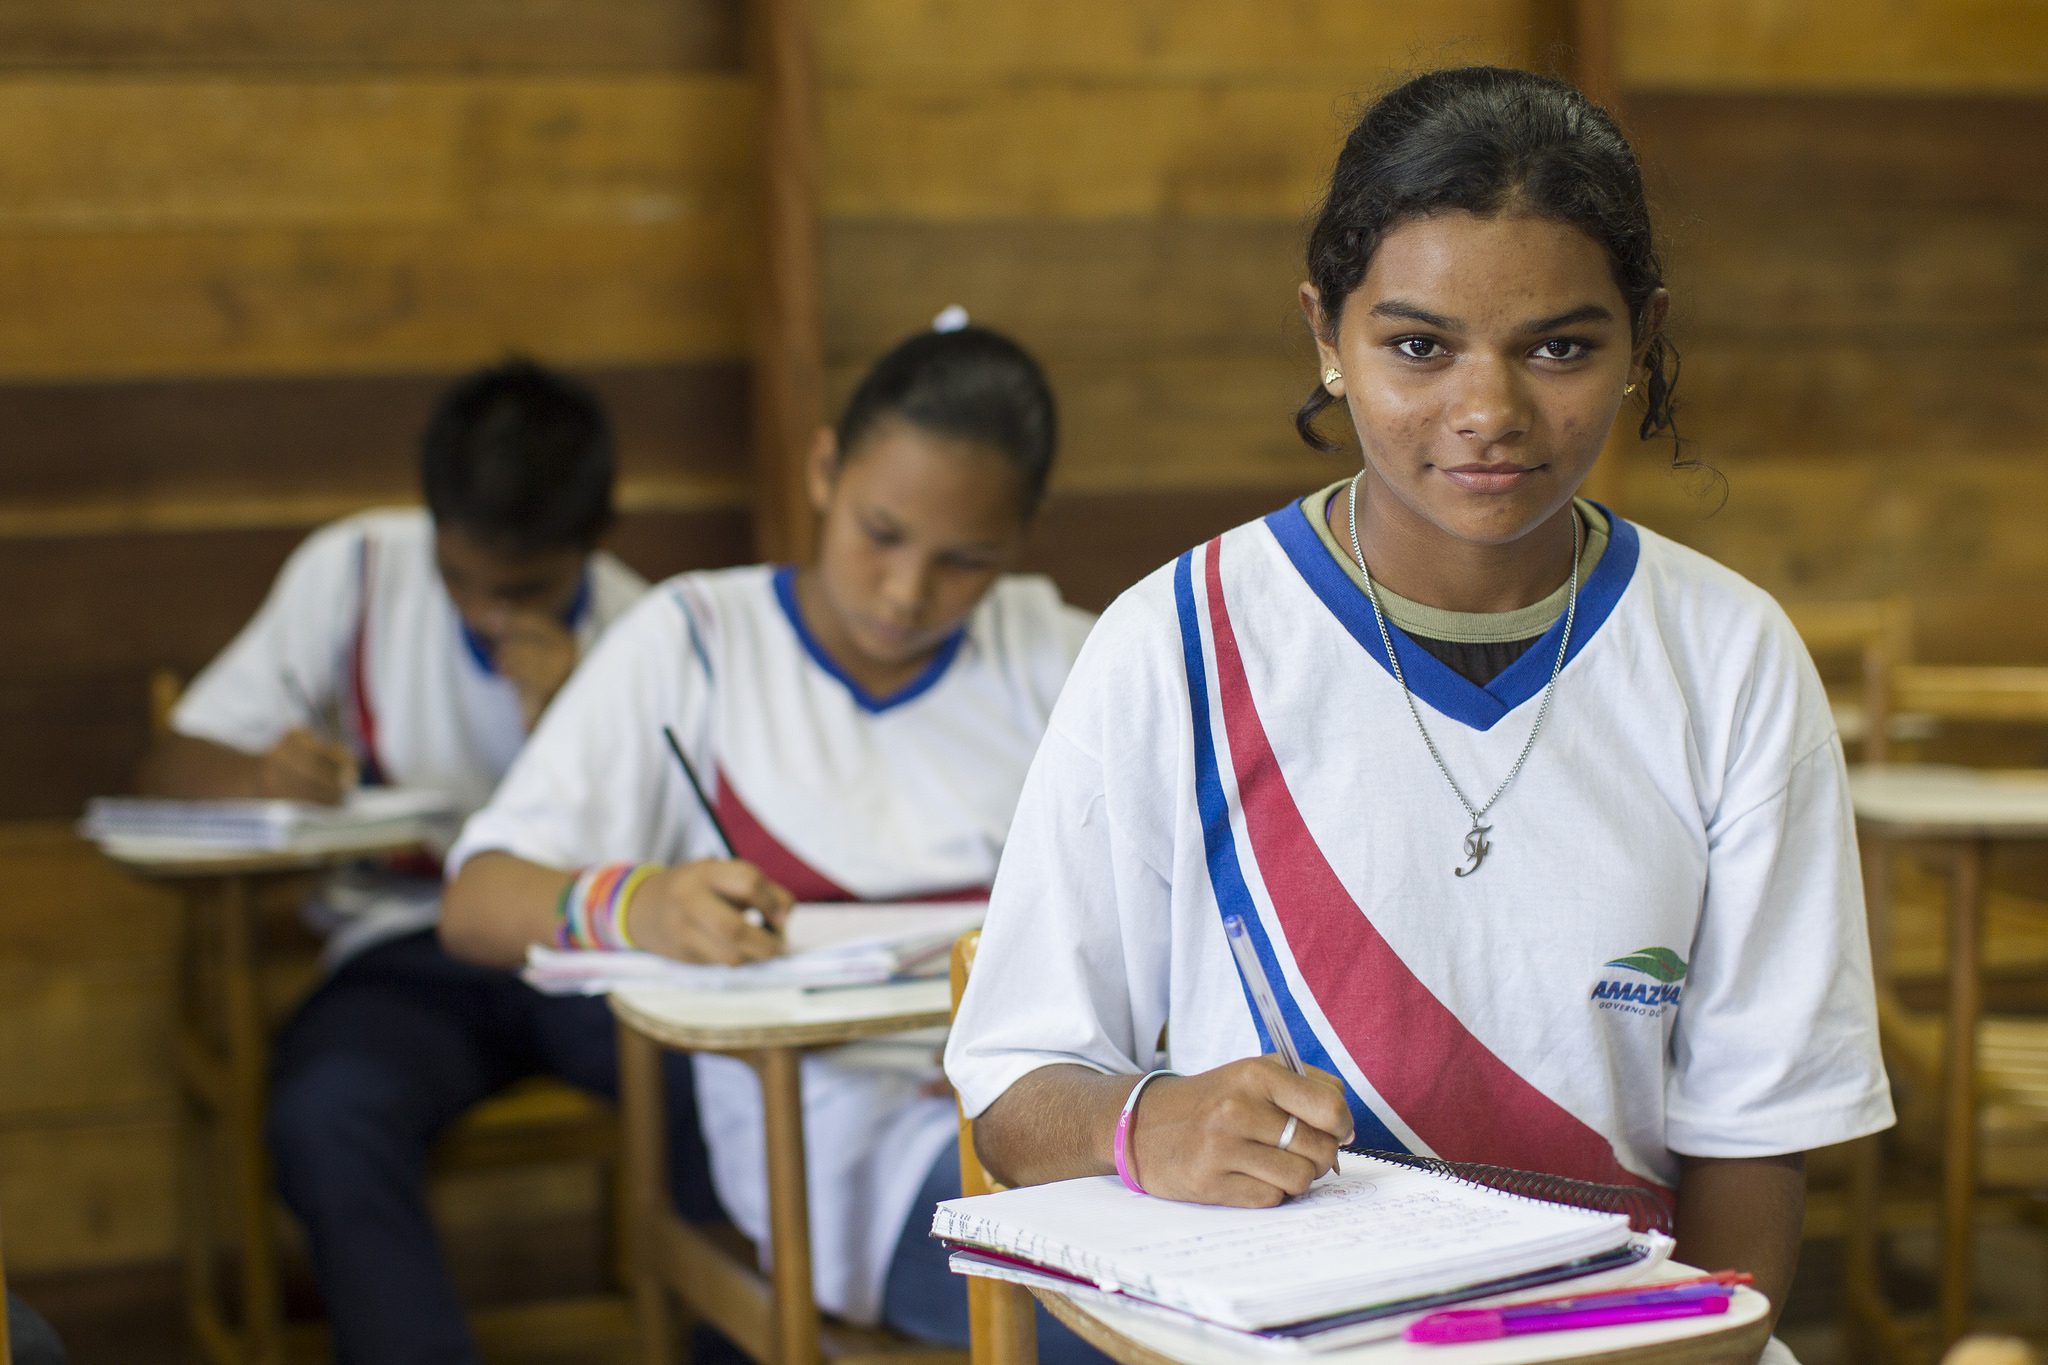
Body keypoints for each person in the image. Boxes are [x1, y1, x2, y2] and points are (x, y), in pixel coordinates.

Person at [945, 67, 1893, 1365]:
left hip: (1619, 1339)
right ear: (1324, 335)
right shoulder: (1176, 641)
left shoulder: (1730, 661)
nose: (1489, 413)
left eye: (1561, 346)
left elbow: (1749, 1146)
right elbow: (1013, 1079)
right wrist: (1144, 1120)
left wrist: (1690, 1351)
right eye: (1417, 345)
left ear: (1642, 338)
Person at [441, 320, 1106, 1360]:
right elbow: (476, 901)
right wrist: (640, 905)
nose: (903, 592)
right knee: (1129, 1312)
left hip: (1071, 1120)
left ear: (1021, 537)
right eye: (878, 533)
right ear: (823, 468)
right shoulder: (696, 642)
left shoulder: (1054, 652)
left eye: (962, 561)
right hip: (855, 1165)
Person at [134, 360, 714, 1365]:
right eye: (461, 580)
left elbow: (687, 859)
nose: (488, 612)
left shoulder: (642, 631)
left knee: (717, 1099)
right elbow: (165, 765)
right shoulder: (356, 570)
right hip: (398, 957)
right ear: (430, 521)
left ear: (590, 541)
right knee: (326, 1117)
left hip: (578, 959)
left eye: (524, 588)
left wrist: (580, 719)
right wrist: (261, 773)